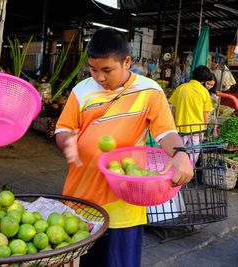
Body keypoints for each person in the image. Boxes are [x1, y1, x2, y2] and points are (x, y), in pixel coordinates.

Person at [55, 28, 193, 267]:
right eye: (93, 69)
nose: (99, 77)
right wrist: (66, 140)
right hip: (80, 200)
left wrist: (181, 154)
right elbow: (63, 128)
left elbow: (165, 132)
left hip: (125, 203)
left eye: (107, 70)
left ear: (127, 62)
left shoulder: (150, 91)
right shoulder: (81, 91)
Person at [169, 65, 214, 163]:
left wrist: (173, 123)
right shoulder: (204, 92)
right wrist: (204, 129)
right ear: (204, 80)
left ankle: (175, 173)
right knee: (193, 157)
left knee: (177, 154)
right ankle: (189, 173)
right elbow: (205, 114)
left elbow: (173, 109)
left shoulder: (181, 88)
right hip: (197, 130)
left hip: (180, 128)